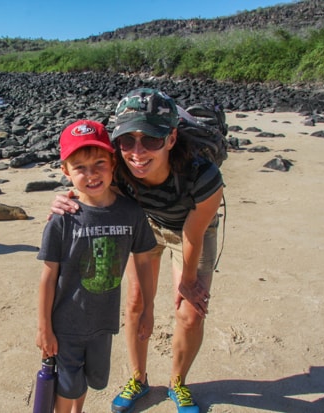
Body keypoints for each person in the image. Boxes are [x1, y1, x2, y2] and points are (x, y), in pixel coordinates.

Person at [51, 89, 224, 413]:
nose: (137, 152)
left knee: (190, 313)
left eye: (152, 140)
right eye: (127, 141)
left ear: (171, 138)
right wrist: (66, 197)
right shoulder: (117, 166)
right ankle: (138, 378)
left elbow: (192, 232)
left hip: (189, 229)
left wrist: (187, 281)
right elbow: (91, 185)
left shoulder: (203, 175)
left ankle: (177, 383)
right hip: (142, 225)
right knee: (135, 302)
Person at [36, 119, 158, 413]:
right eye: (80, 167)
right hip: (65, 325)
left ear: (113, 162)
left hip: (104, 324)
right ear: (65, 171)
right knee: (66, 387)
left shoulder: (131, 213)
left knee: (89, 382)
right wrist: (44, 328)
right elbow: (48, 277)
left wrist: (148, 309)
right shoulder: (63, 219)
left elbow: (144, 262)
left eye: (99, 163)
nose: (91, 174)